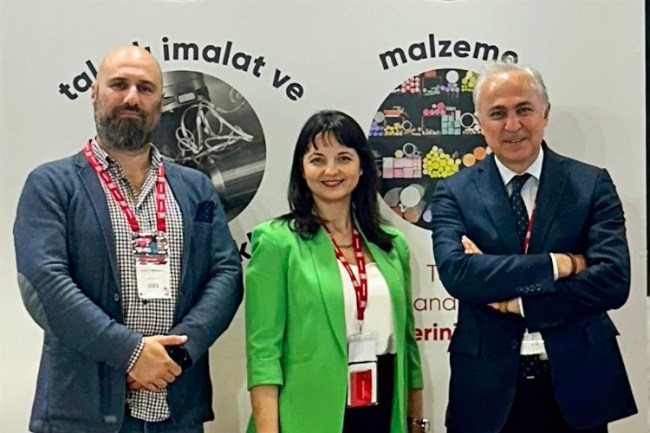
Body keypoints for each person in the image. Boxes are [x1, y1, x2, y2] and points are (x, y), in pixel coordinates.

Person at [13, 46, 243, 433]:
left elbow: (226, 273)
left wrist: (177, 355)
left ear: (161, 102)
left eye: (145, 88)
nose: (131, 98)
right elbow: (44, 285)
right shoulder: (51, 185)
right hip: (80, 411)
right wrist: (132, 353)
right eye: (118, 85)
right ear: (94, 93)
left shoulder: (196, 188)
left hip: (176, 408)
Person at [430, 61, 638, 433]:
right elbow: (459, 274)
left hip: (578, 385)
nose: (513, 125)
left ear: (545, 113)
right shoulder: (454, 192)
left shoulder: (590, 184)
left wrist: (519, 302)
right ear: (479, 122)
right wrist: (561, 264)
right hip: (486, 390)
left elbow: (613, 282)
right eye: (498, 113)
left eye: (524, 109)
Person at [245, 110, 427, 433]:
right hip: (308, 414)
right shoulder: (276, 242)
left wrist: (416, 421)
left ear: (361, 167)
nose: (331, 170)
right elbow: (263, 355)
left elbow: (408, 347)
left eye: (343, 158)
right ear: (302, 169)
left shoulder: (391, 245)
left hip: (383, 405)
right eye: (317, 160)